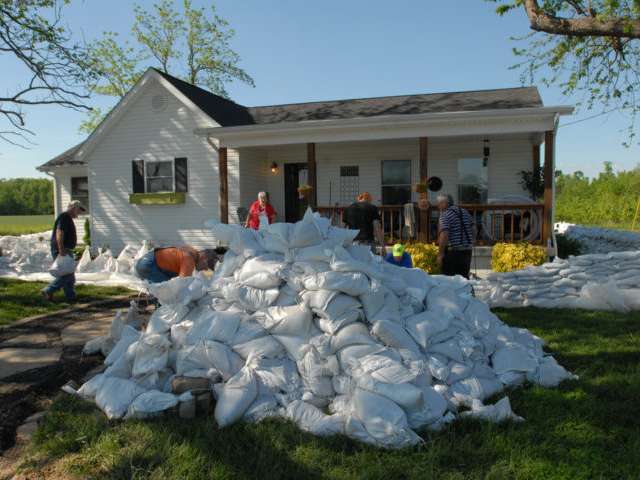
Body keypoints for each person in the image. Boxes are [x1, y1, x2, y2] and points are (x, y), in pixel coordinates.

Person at [42, 200, 86, 302]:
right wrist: (61, 249)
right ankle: (48, 290)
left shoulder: (67, 218)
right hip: (62, 249)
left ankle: (70, 297)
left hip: (65, 249)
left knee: (68, 275)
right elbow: (59, 233)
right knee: (67, 274)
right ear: (73, 208)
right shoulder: (64, 217)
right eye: (79, 210)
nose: (80, 213)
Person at [436, 193, 475, 279]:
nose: (438, 206)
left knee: (449, 280)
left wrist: (440, 254)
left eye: (439, 203)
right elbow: (474, 228)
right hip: (467, 251)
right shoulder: (464, 211)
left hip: (453, 252)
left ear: (445, 203)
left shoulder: (445, 215)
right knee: (464, 279)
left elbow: (444, 234)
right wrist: (471, 241)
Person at [135, 246, 218, 283]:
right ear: (204, 258)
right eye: (206, 266)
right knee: (166, 291)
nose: (205, 269)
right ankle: (163, 314)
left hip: (145, 261)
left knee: (162, 289)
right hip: (150, 265)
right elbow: (181, 283)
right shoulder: (189, 261)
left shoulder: (190, 250)